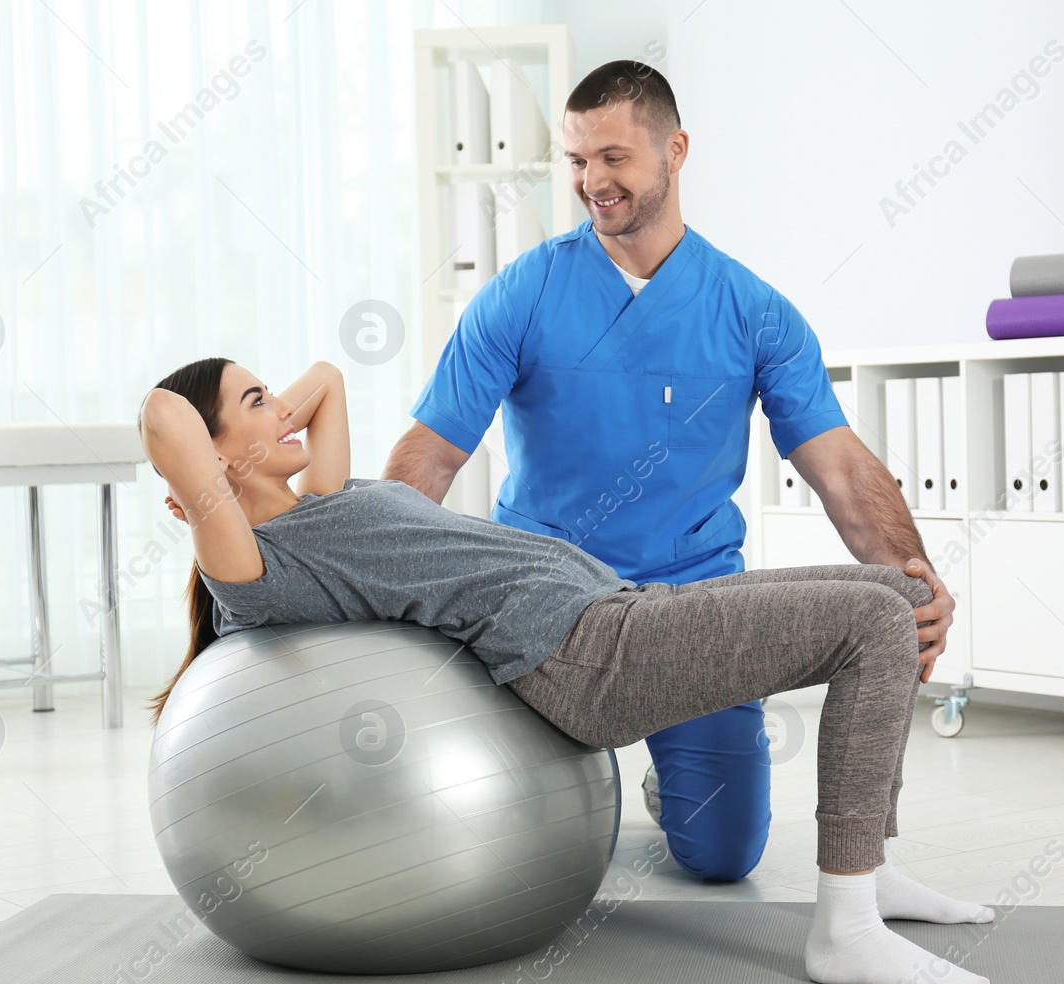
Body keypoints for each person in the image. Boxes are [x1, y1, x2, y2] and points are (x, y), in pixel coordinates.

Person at [137, 356, 991, 984]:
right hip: (582, 655)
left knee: (898, 592)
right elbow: (163, 415)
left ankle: (868, 865)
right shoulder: (255, 566)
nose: (282, 411)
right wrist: (207, 484)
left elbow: (326, 382)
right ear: (202, 469)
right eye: (253, 405)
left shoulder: (319, 497)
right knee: (872, 621)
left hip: (619, 607)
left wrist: (260, 425)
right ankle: (845, 928)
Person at [382, 59, 959, 887]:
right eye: (577, 161)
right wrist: (375, 575)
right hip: (544, 601)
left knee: (724, 856)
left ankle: (666, 775)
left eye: (613, 157)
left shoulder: (752, 310)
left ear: (675, 149)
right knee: (512, 849)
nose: (591, 182)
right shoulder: (523, 293)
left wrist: (915, 575)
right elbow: (432, 452)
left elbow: (838, 466)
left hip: (692, 604)